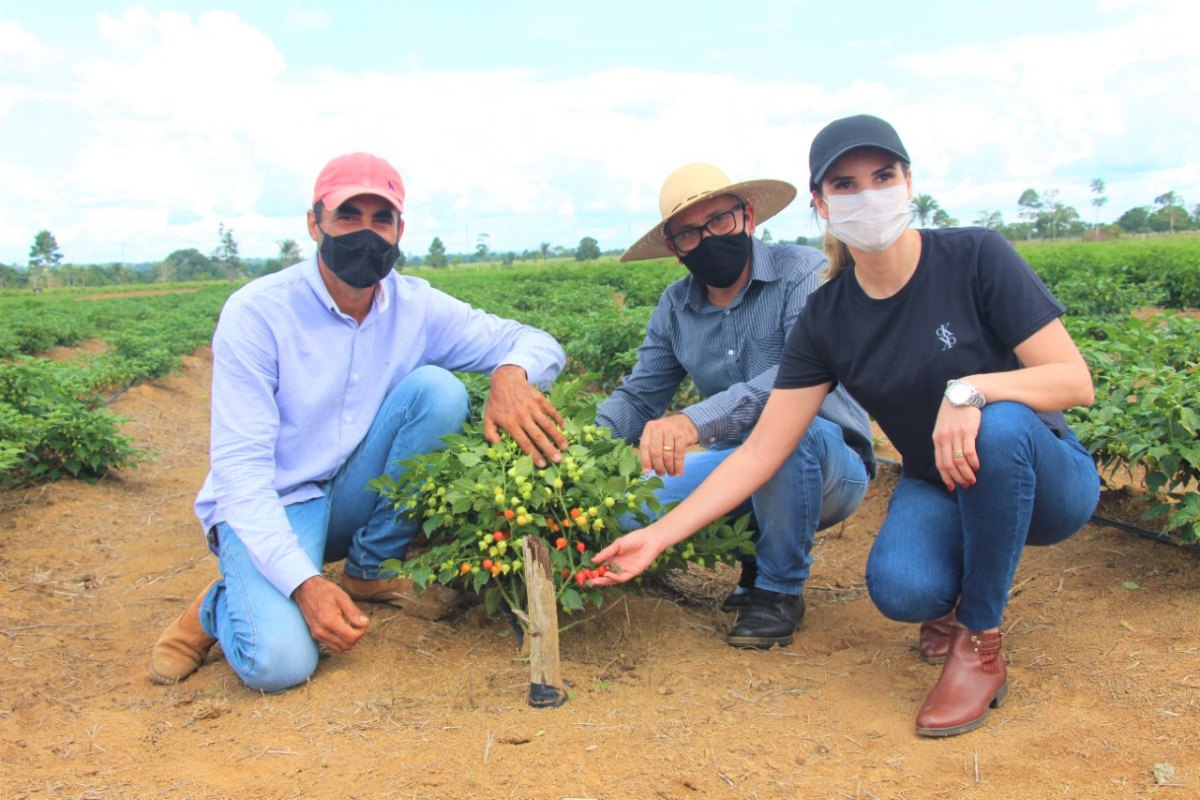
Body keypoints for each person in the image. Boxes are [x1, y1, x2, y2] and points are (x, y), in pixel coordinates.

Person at [592, 115, 1100, 738]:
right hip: (937, 481)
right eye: (845, 184)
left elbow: (1074, 381)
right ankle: (956, 588)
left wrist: (972, 390)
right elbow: (760, 452)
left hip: (1046, 473)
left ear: (908, 182)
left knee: (996, 428)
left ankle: (979, 642)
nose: (868, 195)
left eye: (882, 176)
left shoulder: (974, 257)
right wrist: (657, 538)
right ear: (821, 204)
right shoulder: (829, 315)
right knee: (902, 591)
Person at [149, 152, 568, 693]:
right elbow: (240, 476)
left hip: (351, 488)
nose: (366, 234)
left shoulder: (415, 305)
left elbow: (537, 342)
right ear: (314, 222)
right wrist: (304, 585)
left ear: (400, 229)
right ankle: (216, 607)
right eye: (349, 216)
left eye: (381, 219)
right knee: (279, 665)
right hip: (278, 500)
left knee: (437, 391)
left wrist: (511, 373)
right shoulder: (258, 314)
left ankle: (370, 569)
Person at [595, 163, 874, 649]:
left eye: (718, 222)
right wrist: (582, 446)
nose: (706, 240)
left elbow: (797, 380)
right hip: (739, 464)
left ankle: (778, 589)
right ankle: (756, 551)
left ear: (747, 216)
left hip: (829, 463)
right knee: (624, 511)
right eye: (688, 234)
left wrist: (693, 421)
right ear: (673, 247)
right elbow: (641, 395)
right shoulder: (676, 305)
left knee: (788, 430)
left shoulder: (802, 273)